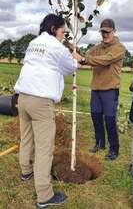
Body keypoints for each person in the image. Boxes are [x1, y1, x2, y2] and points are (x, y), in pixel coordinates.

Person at [14, 14, 81, 208]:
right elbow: (71, 67)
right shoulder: (56, 46)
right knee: (44, 148)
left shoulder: (33, 43)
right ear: (54, 29)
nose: (64, 36)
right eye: (63, 32)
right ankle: (44, 195)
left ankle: (26, 171)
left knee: (26, 137)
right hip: (40, 101)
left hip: (23, 98)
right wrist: (75, 57)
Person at [79, 19, 126, 160]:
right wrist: (75, 50)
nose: (104, 34)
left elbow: (105, 60)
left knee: (110, 120)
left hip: (110, 91)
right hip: (96, 90)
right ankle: (100, 144)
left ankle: (114, 149)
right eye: (102, 32)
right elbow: (86, 56)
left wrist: (84, 60)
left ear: (114, 31)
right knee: (96, 118)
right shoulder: (97, 47)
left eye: (107, 32)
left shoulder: (119, 48)